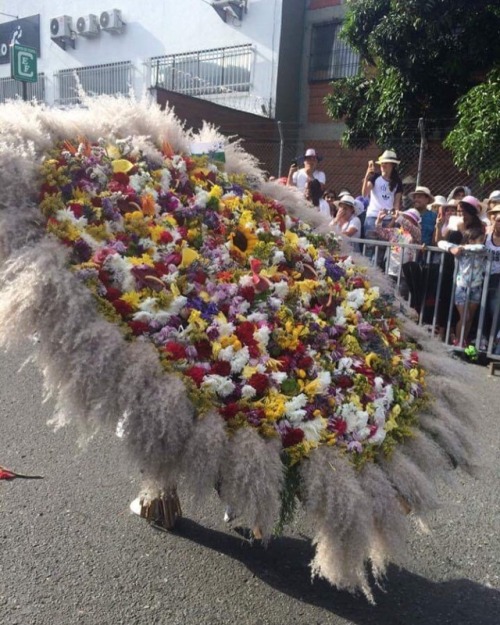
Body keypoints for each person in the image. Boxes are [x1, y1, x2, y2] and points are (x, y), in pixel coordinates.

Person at [438, 226, 486, 347]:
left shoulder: (479, 249)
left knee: (470, 318)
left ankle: (463, 341)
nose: (483, 241)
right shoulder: (458, 249)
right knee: (465, 316)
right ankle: (458, 342)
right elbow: (440, 242)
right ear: (471, 240)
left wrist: (461, 248)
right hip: (462, 287)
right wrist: (451, 248)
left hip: (476, 287)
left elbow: (481, 247)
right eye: (481, 239)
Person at [372, 208, 422, 295]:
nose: (404, 220)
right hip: (390, 270)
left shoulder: (416, 233)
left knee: (400, 299)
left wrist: (400, 218)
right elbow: (380, 232)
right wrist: (379, 220)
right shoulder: (395, 231)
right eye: (404, 217)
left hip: (405, 273)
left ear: (414, 222)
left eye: (407, 218)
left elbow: (411, 228)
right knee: (387, 296)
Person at [362, 149, 403, 235]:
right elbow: (364, 193)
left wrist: (392, 222)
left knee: (384, 247)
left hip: (388, 219)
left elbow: (396, 205)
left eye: (386, 163)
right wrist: (367, 177)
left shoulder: (397, 182)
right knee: (370, 246)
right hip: (373, 217)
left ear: (392, 165)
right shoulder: (375, 177)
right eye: (382, 162)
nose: (383, 165)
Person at [484, 204, 500, 352]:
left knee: (495, 310)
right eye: (497, 218)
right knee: (483, 310)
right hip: (484, 276)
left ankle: (493, 343)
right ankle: (483, 341)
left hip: (499, 279)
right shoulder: (486, 236)